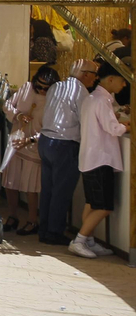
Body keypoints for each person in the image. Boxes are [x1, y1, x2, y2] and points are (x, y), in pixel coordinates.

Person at [70, 64, 130, 259]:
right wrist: (126, 126)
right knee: (103, 207)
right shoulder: (101, 100)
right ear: (110, 79)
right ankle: (79, 240)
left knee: (92, 203)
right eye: (122, 80)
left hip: (90, 158)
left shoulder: (91, 98)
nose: (124, 85)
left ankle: (88, 240)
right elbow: (113, 128)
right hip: (100, 159)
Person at [38, 59, 99, 245]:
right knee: (61, 191)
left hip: (46, 140)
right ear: (86, 74)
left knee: (48, 189)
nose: (95, 79)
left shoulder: (56, 87)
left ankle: (44, 229)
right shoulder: (81, 92)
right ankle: (54, 231)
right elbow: (86, 120)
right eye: (94, 74)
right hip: (64, 143)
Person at [0, 66, 56, 235]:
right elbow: (7, 105)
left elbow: (50, 129)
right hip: (16, 142)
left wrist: (31, 139)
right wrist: (18, 115)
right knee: (10, 182)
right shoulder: (26, 88)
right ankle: (12, 216)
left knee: (31, 186)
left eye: (46, 88)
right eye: (39, 86)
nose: (42, 90)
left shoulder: (53, 100)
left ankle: (32, 220)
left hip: (33, 146)